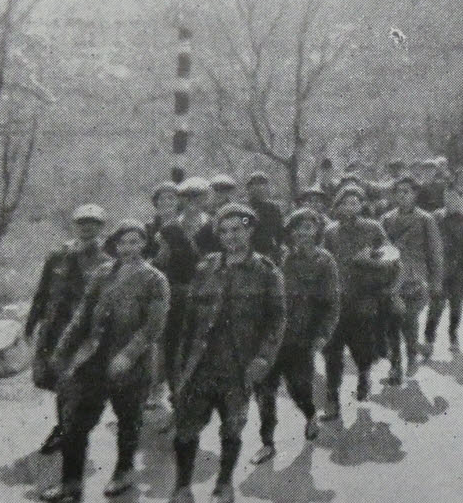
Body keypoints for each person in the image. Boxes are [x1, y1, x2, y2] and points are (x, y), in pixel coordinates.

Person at [41, 220, 169, 502]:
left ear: (143, 244)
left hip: (132, 364)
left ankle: (123, 473)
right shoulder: (102, 273)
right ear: (116, 245)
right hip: (94, 359)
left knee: (128, 422)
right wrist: (62, 349)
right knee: (75, 423)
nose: (129, 248)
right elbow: (82, 316)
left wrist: (128, 355)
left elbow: (153, 327)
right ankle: (70, 484)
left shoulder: (155, 279)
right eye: (123, 242)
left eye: (135, 241)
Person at [171, 204, 286, 503]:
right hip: (201, 363)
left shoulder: (266, 272)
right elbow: (189, 321)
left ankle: (223, 484)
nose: (230, 236)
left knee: (231, 428)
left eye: (237, 229)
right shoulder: (206, 268)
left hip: (238, 365)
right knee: (185, 429)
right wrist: (180, 365)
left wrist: (264, 358)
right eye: (223, 231)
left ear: (250, 230)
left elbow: (276, 320)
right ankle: (182, 486)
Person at [250, 207, 340, 465]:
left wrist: (322, 335)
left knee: (299, 389)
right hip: (270, 336)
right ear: (290, 232)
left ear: (317, 231)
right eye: (297, 228)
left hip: (301, 337)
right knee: (263, 390)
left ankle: (310, 416)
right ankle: (267, 443)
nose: (302, 233)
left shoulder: (324, 261)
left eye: (308, 227)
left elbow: (332, 303)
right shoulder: (279, 257)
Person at [25, 204, 111, 455]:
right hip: (54, 328)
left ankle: (67, 430)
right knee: (55, 380)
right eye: (82, 223)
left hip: (81, 332)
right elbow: (43, 291)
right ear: (75, 225)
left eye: (93, 224)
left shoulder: (106, 261)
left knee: (74, 382)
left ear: (101, 227)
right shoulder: (58, 255)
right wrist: (31, 323)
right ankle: (66, 426)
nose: (87, 228)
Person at [321, 185, 397, 418]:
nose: (350, 207)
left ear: (362, 205)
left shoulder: (373, 228)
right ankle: (332, 400)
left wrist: (369, 260)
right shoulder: (330, 232)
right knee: (332, 351)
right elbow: (323, 260)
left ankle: (364, 376)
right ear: (338, 206)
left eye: (354, 202)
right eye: (345, 203)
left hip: (364, 298)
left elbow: (390, 256)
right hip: (336, 299)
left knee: (362, 348)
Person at [381, 176, 443, 384]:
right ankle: (396, 366)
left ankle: (412, 357)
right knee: (391, 323)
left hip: (416, 278)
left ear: (415, 194)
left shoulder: (426, 219)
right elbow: (380, 247)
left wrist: (436, 281)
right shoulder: (387, 219)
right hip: (392, 278)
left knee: (409, 319)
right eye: (398, 191)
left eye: (406, 191)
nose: (402, 195)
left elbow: (435, 252)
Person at [144, 182, 200, 409]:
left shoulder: (187, 225)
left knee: (178, 340)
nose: (166, 203)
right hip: (153, 290)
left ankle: (179, 391)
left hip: (180, 289)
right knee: (153, 338)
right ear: (155, 203)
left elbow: (194, 258)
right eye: (162, 199)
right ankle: (153, 389)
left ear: (179, 202)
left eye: (171, 198)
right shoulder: (148, 228)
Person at [424, 179, 463, 355]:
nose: (451, 201)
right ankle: (429, 338)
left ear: (461, 198)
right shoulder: (435, 217)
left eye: (455, 197)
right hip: (439, 269)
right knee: (436, 305)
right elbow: (427, 242)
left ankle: (453, 336)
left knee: (456, 304)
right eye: (447, 197)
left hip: (460, 268)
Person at [247, 171, 284, 262]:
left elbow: (280, 231)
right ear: (249, 188)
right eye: (255, 184)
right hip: (249, 252)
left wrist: (278, 248)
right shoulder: (244, 208)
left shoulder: (273, 209)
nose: (260, 188)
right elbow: (243, 224)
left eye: (262, 184)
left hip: (269, 252)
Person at [177, 177, 220, 255]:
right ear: (181, 199)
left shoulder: (211, 223)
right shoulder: (176, 224)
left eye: (197, 195)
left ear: (204, 198)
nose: (192, 200)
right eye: (187, 196)